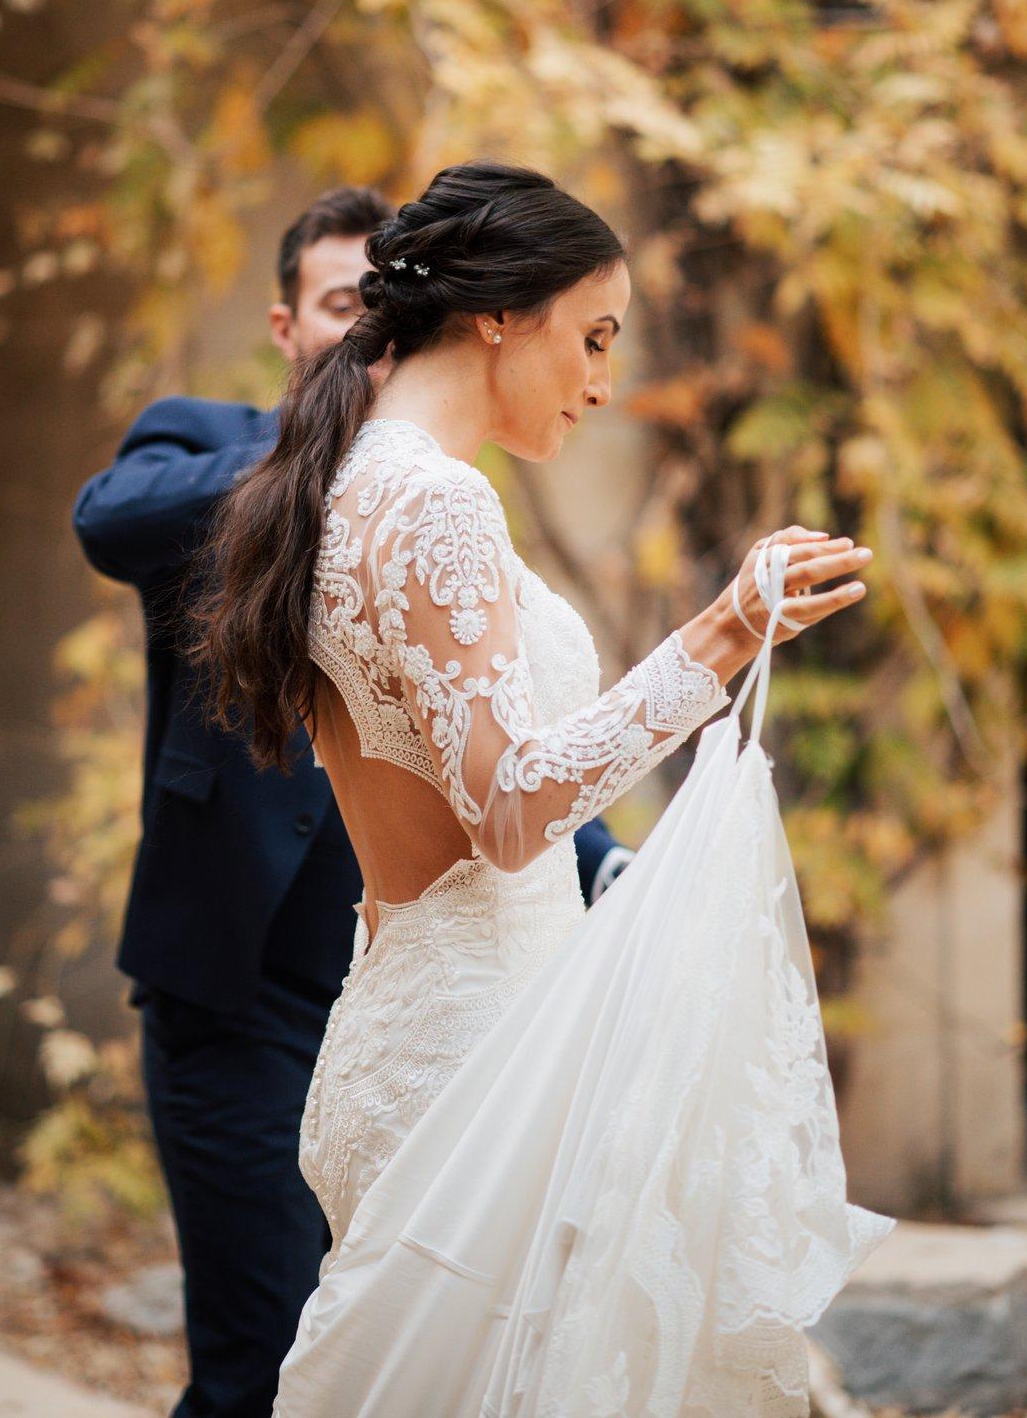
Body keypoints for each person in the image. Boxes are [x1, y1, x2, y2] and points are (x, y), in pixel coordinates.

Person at [188, 159, 887, 1413]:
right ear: (501, 312)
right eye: (594, 335)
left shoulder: (356, 476)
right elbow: (509, 809)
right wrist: (720, 633)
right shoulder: (431, 499)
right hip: (474, 1064)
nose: (604, 381)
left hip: (448, 1032)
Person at [71, 184, 632, 1418]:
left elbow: (471, 713)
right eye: (339, 305)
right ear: (288, 324)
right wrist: (334, 441)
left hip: (406, 973)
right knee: (261, 1360)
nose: (354, 331)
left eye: (372, 305)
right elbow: (106, 522)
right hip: (240, 984)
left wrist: (602, 859)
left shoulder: (436, 485)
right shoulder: (230, 451)